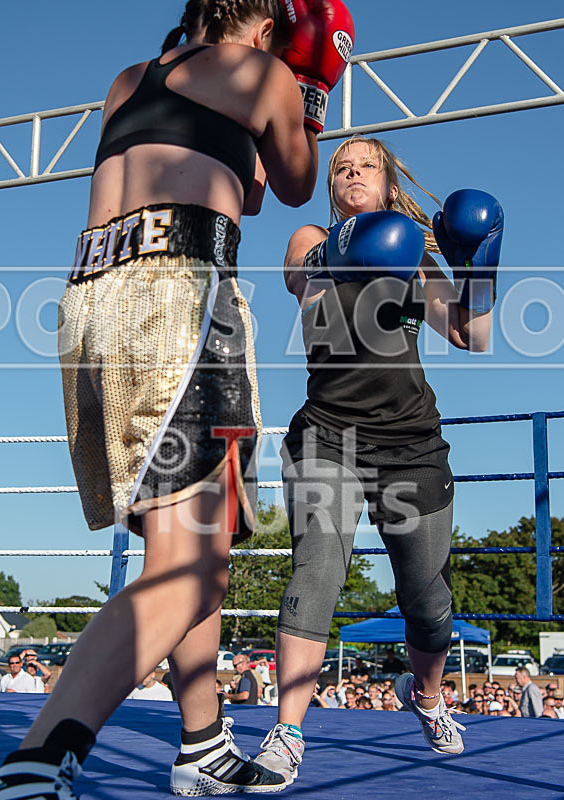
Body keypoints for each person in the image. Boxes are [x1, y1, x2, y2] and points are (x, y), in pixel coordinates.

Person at [0, 2, 355, 797]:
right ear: (266, 29)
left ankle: (203, 741)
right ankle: (39, 759)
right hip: (180, 298)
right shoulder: (267, 74)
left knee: (183, 551)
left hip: (91, 303)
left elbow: (240, 187)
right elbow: (291, 184)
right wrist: (311, 85)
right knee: (193, 570)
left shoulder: (129, 81)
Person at [255, 135, 503, 783]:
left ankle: (424, 696)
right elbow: (299, 283)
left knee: (426, 601)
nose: (351, 173)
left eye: (365, 165)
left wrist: (479, 266)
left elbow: (471, 335)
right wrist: (349, 255)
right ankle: (286, 731)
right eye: (340, 167)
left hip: (412, 442)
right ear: (331, 187)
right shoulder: (309, 238)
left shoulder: (416, 257)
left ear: (390, 185)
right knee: (314, 574)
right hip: (327, 436)